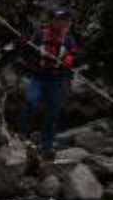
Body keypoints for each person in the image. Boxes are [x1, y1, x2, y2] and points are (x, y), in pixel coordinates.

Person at [18, 9, 80, 160]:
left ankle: (47, 146)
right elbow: (29, 49)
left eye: (65, 20)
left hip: (57, 78)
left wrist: (70, 59)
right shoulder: (40, 34)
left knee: (52, 113)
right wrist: (24, 44)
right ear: (52, 20)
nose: (63, 22)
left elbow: (75, 54)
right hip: (39, 75)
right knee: (31, 101)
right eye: (60, 19)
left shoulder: (68, 39)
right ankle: (22, 135)